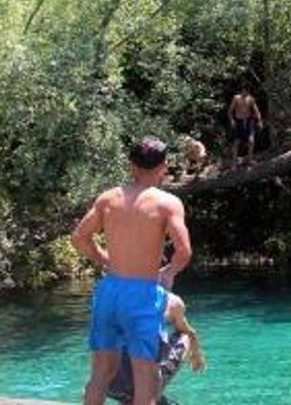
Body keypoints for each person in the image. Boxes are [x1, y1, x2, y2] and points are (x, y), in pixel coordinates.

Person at [72, 136, 193, 405]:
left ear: (131, 165)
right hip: (142, 294)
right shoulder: (167, 203)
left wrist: (105, 259)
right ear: (163, 166)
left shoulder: (108, 199)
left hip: (109, 290)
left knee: (101, 373)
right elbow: (184, 252)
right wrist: (169, 272)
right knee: (145, 378)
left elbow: (80, 238)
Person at [107, 291, 206, 404]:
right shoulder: (170, 301)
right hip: (146, 382)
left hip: (112, 386)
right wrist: (197, 353)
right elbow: (187, 333)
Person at [226, 83, 262, 164]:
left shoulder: (251, 99)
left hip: (248, 120)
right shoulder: (236, 98)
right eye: (244, 91)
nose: (245, 93)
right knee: (236, 141)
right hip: (238, 121)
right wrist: (231, 120)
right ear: (242, 91)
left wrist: (259, 121)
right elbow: (230, 111)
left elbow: (256, 111)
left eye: (247, 92)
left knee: (251, 140)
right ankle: (234, 160)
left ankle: (250, 159)